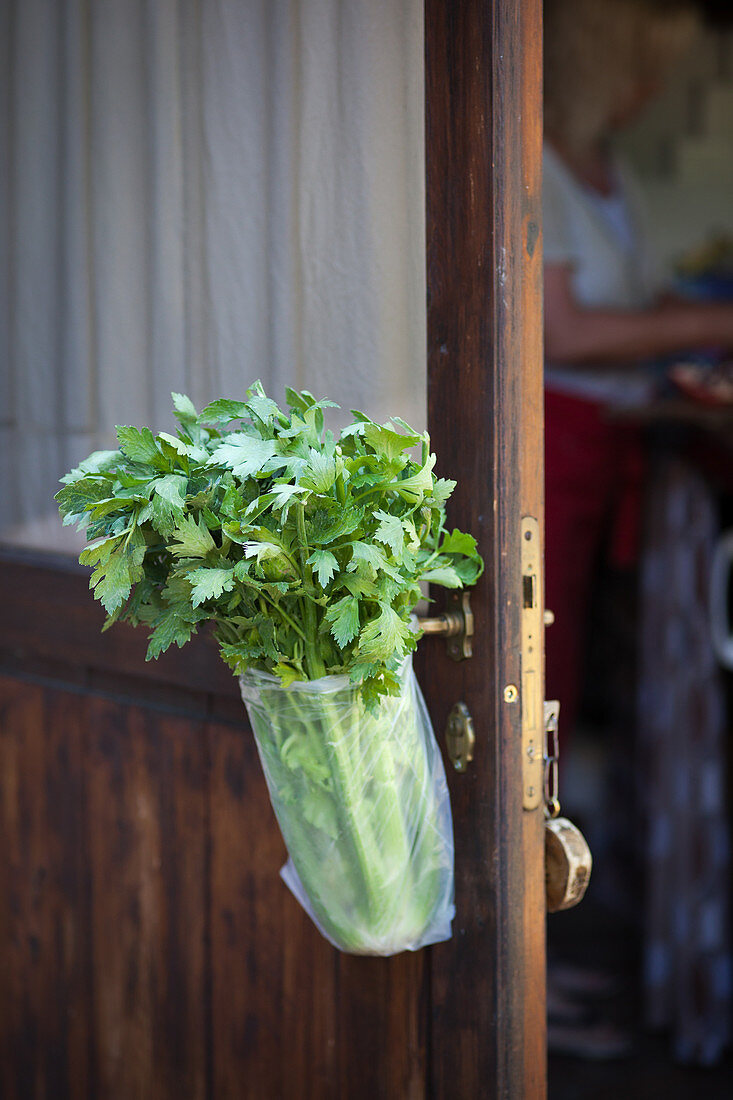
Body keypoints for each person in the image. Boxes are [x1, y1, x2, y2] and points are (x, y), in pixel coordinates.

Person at [542, 0, 733, 1058]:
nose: (651, 95)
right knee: (546, 697)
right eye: (638, 73)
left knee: (587, 695)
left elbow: (638, 299)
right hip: (554, 448)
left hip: (609, 446)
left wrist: (691, 303)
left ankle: (555, 947)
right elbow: (564, 329)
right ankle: (531, 964)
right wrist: (712, 320)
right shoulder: (538, 161)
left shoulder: (605, 168)